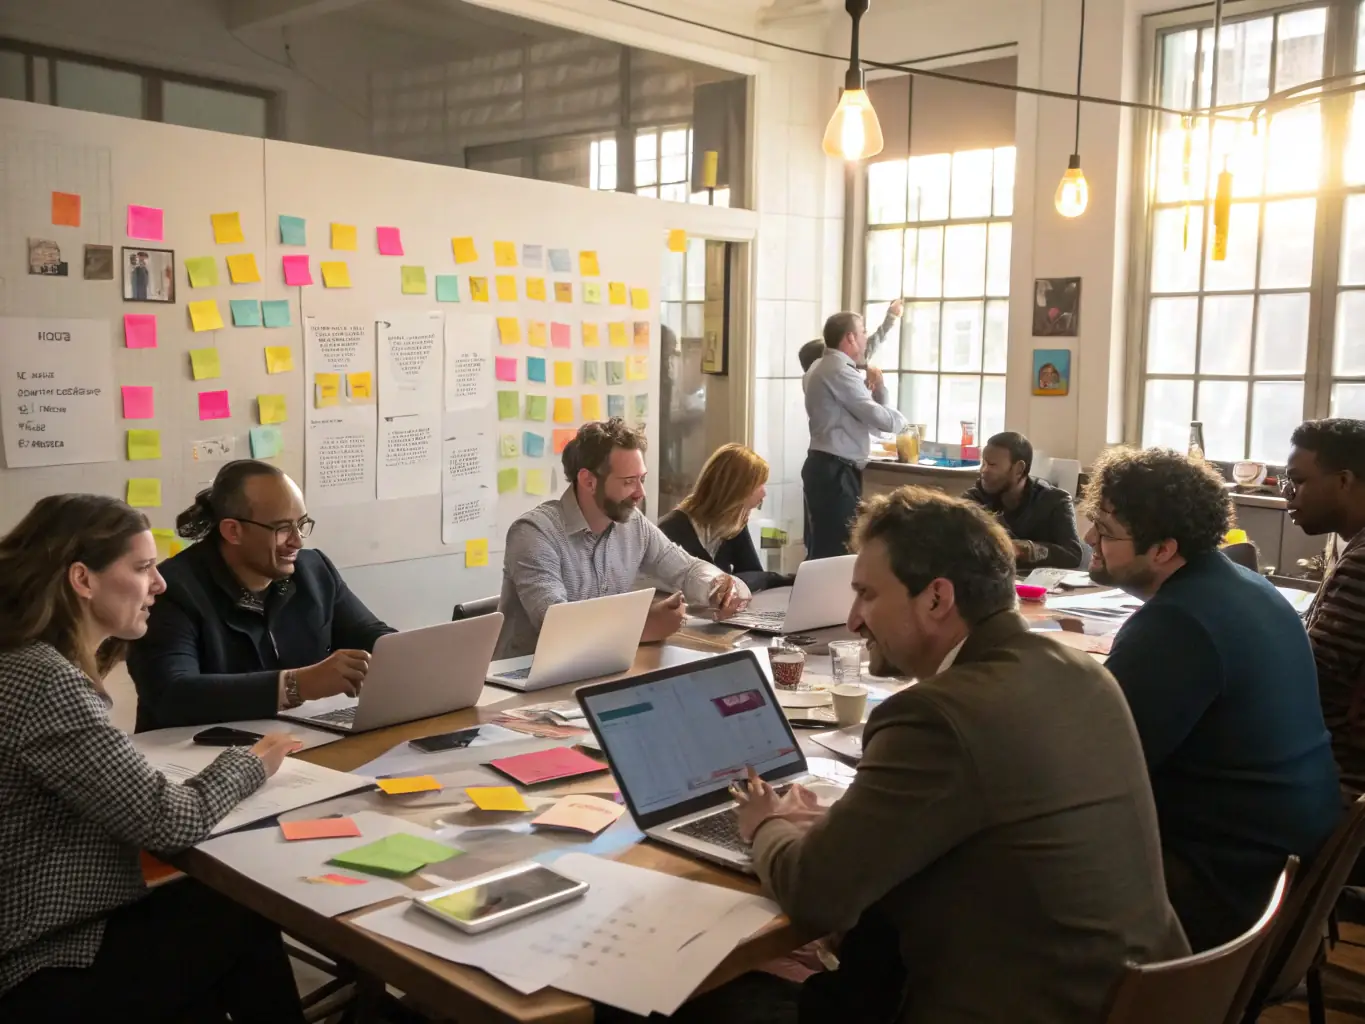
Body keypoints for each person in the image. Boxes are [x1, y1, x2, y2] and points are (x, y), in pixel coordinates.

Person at [733, 486, 1187, 1023]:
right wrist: (842, 829)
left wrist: (767, 824)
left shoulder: (936, 715)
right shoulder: (1084, 673)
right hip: (1140, 999)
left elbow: (814, 894)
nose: (854, 619)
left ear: (936, 598)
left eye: (868, 595)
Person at [0, 494, 305, 1024]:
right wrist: (249, 763)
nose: (160, 584)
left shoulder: (21, 661)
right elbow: (168, 822)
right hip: (40, 959)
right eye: (143, 568)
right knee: (240, 913)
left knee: (213, 918)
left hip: (42, 931)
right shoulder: (46, 680)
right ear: (82, 579)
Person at [1081, 447, 1340, 952]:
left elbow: (1094, 763)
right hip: (1287, 860)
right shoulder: (1244, 585)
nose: (1090, 538)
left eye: (1107, 531)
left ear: (1163, 549)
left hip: (1229, 887)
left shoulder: (1178, 622)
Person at [127, 460, 395, 731]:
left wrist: (413, 654)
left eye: (302, 524)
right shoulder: (171, 590)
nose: (298, 541)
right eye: (282, 528)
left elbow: (373, 638)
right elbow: (173, 695)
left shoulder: (314, 571)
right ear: (233, 531)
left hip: (297, 741)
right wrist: (297, 685)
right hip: (194, 755)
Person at [496, 419, 750, 659]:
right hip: (521, 681)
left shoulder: (631, 522)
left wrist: (719, 587)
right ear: (589, 481)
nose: (640, 493)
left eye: (642, 479)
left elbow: (686, 568)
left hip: (597, 668)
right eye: (629, 482)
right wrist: (642, 626)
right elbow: (556, 625)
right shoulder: (533, 533)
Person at [1283, 418, 1365, 800]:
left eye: (1298, 482)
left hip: (1339, 778)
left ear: (1344, 481)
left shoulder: (1362, 564)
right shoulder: (1351, 546)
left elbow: (1306, 675)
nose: (1289, 495)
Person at [802, 311, 908, 560]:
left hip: (827, 466)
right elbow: (878, 419)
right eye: (863, 333)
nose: (865, 338)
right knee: (836, 549)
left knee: (826, 547)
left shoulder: (822, 366)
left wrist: (879, 388)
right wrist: (904, 424)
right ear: (850, 338)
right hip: (834, 470)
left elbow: (868, 422)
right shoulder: (838, 371)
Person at [658, 444, 792, 593]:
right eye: (759, 484)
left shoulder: (734, 523)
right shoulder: (670, 529)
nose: (764, 493)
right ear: (736, 489)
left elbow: (756, 576)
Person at [963, 431, 1083, 570]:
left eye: (992, 465)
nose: (983, 470)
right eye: (983, 463)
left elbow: (1073, 554)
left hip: (1043, 588)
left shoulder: (1055, 501)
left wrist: (1022, 549)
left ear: (1019, 469)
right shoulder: (972, 500)